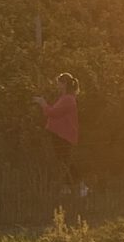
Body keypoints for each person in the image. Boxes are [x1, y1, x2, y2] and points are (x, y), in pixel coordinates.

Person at [35, 71, 88, 200]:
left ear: (64, 84)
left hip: (64, 135)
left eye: (58, 83)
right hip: (60, 134)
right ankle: (67, 187)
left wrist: (43, 103)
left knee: (65, 161)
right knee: (63, 161)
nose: (57, 85)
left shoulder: (68, 99)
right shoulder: (65, 98)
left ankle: (81, 185)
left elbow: (53, 113)